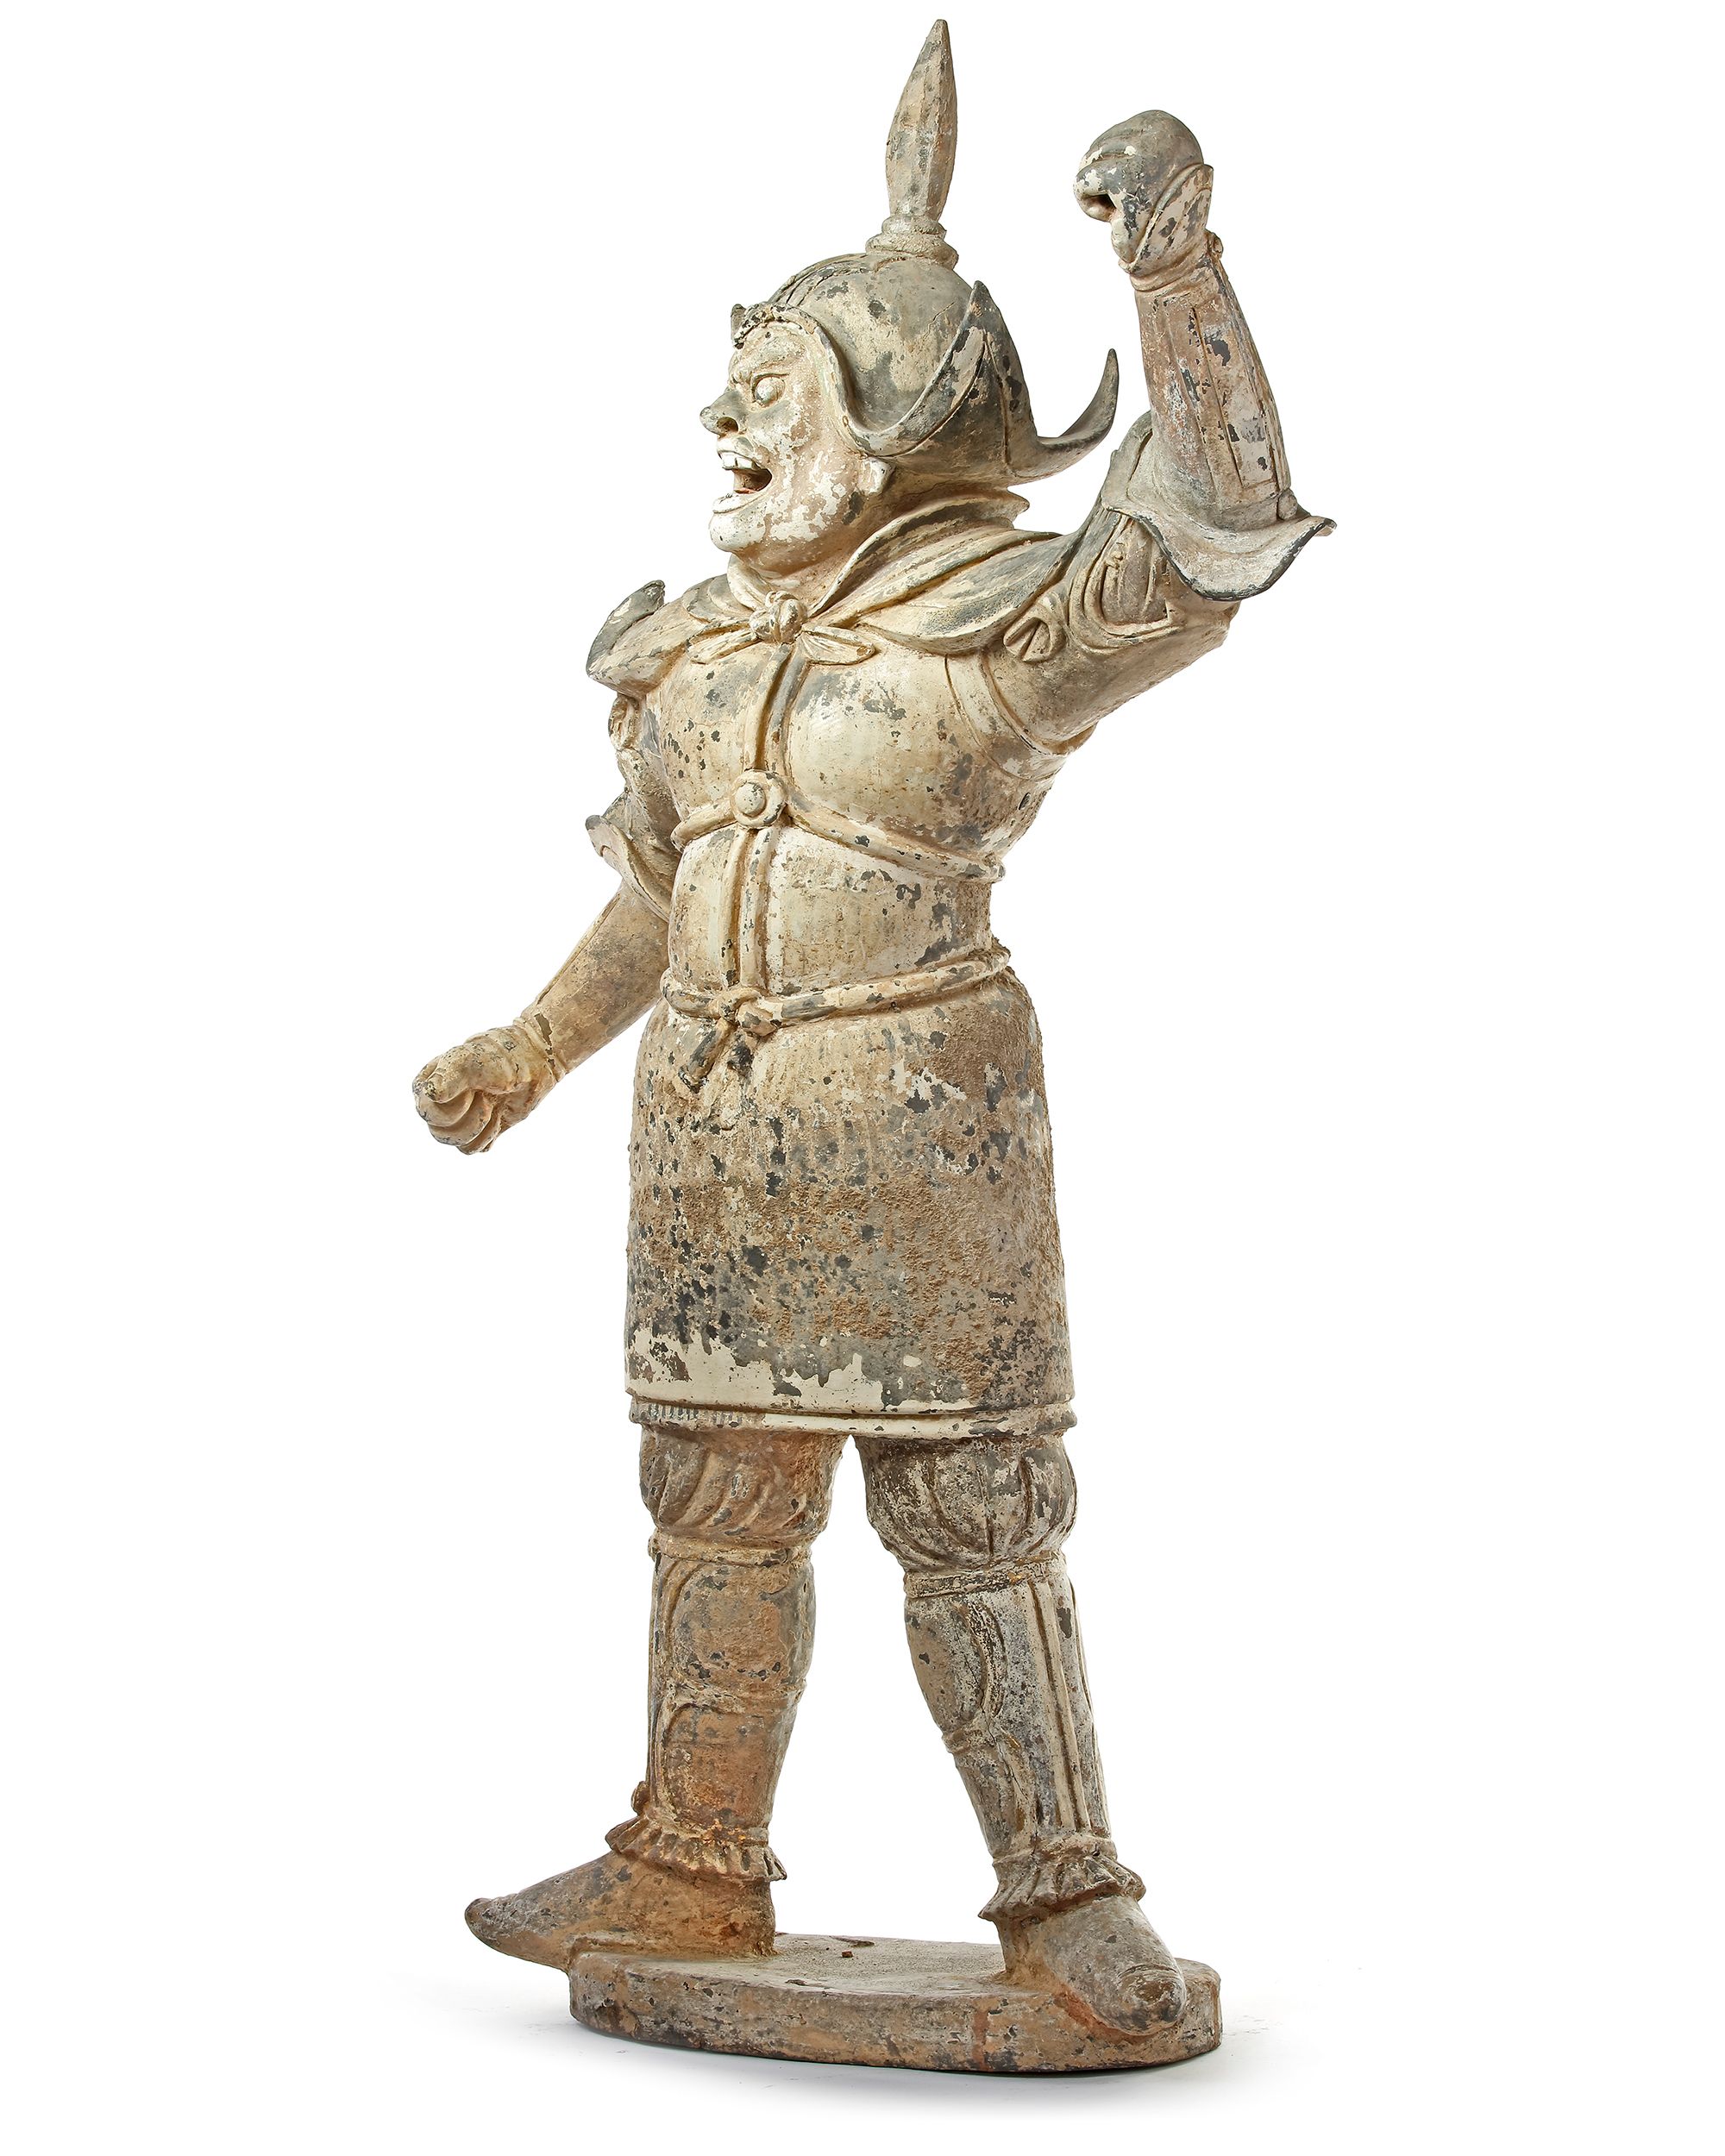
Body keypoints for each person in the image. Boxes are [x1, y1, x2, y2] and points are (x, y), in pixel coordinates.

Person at [414, 22, 1329, 2036]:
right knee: (713, 1500)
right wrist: (529, 1043)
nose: (720, 422)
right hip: (711, 1127)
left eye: (766, 392)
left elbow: (1203, 541)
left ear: (888, 422)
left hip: (920, 1117)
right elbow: (664, 887)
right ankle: (687, 1859)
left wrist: (1174, 268)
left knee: (973, 1512)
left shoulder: (994, 623)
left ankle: (1067, 1902)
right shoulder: (696, 652)